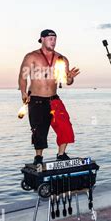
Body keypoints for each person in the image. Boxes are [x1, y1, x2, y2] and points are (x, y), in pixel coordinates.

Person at [18, 29, 80, 165]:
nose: (53, 41)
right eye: (50, 39)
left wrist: (69, 78)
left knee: (65, 127)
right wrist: (23, 92)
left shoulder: (61, 59)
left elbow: (67, 81)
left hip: (54, 99)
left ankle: (61, 154)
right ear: (42, 39)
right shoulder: (31, 57)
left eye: (55, 39)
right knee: (38, 131)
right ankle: (39, 157)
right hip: (36, 99)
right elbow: (22, 77)